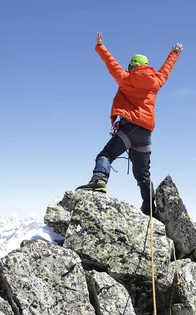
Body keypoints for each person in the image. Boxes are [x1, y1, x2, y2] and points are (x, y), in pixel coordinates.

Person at [77, 32, 183, 216]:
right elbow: (166, 70)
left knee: (106, 155)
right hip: (145, 135)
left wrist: (100, 46)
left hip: (129, 129)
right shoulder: (156, 82)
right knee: (143, 175)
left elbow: (111, 64)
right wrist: (174, 53)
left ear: (133, 66)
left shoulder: (125, 79)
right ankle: (149, 206)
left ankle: (99, 181)